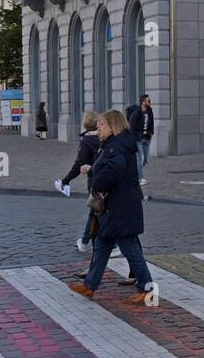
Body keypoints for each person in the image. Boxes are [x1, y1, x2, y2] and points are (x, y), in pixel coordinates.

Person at [68, 110, 154, 304]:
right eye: (97, 126)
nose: (98, 130)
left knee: (130, 249)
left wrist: (96, 181)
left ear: (112, 126)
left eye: (102, 126)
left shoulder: (117, 147)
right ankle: (90, 285)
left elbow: (113, 170)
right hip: (114, 207)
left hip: (120, 208)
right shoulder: (113, 144)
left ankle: (147, 288)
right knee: (101, 245)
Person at [60, 111, 103, 253]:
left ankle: (111, 245)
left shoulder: (87, 140)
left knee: (97, 211)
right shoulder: (103, 137)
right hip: (106, 178)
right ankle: (84, 240)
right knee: (95, 211)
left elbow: (79, 163)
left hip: (95, 181)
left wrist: (66, 180)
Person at [126, 94, 154, 184]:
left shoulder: (150, 111)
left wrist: (151, 133)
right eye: (148, 101)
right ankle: (140, 178)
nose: (150, 102)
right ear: (143, 102)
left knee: (146, 160)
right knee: (140, 159)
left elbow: (151, 124)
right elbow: (132, 127)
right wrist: (133, 139)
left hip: (147, 138)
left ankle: (134, 172)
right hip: (138, 139)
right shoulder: (136, 113)